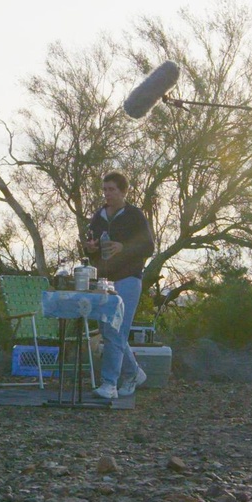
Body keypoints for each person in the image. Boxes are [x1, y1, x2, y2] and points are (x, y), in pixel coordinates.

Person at [85, 170, 155, 400]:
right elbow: (90, 248)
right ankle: (134, 373)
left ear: (123, 191)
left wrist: (123, 247)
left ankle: (110, 383)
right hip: (105, 279)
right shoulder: (98, 216)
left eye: (112, 189)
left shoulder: (134, 216)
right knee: (108, 330)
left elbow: (148, 247)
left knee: (117, 330)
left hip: (128, 278)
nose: (107, 194)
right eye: (104, 190)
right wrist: (91, 248)